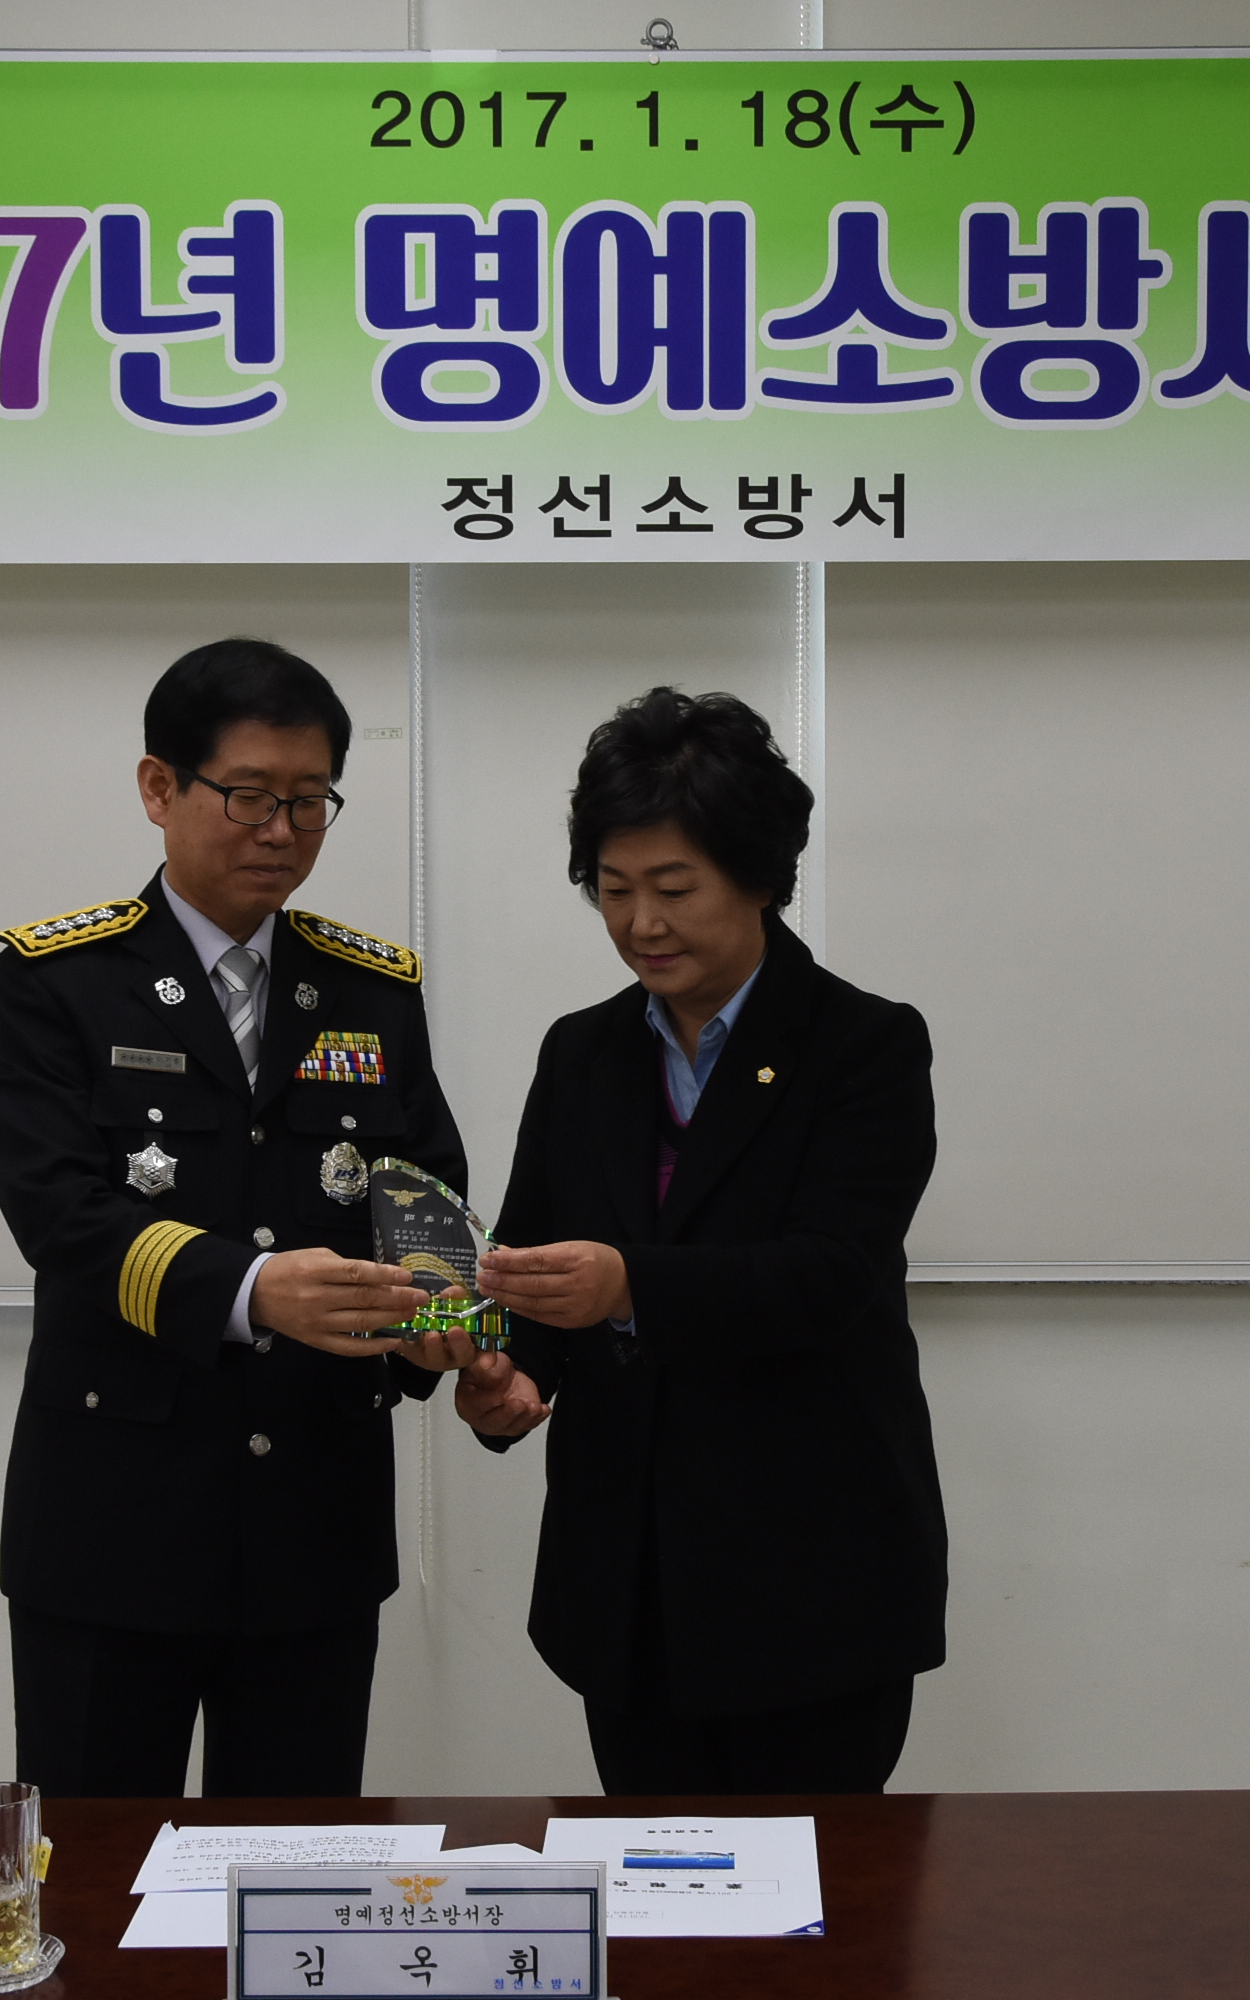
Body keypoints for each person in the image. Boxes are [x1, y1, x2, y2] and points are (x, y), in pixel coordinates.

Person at [0, 636, 473, 1799]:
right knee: (97, 1873)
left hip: (315, 1518)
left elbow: (426, 1204)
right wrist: (251, 1292)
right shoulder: (57, 980)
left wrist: (445, 1327)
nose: (281, 830)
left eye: (310, 800)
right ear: (160, 787)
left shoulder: (371, 988)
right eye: (250, 795)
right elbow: (58, 1210)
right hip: (112, 1523)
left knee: (299, 1869)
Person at [458, 686, 947, 1795]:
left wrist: (626, 1284)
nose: (642, 923)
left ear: (762, 876)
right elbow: (533, 1260)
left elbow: (827, 1275)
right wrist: (512, 1375)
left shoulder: (865, 1046)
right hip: (625, 1582)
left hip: (811, 1577)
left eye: (674, 888)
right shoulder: (581, 1053)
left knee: (818, 1892)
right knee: (648, 1881)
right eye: (614, 889)